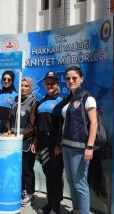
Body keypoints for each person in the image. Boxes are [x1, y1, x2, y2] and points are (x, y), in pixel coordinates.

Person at [61, 66, 98, 214]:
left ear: (81, 79)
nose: (71, 80)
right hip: (66, 146)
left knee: (80, 184)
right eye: (68, 78)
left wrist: (89, 147)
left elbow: (94, 123)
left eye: (74, 77)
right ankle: (76, 210)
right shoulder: (69, 98)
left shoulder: (87, 97)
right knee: (71, 182)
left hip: (80, 148)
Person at [35, 71, 65, 214]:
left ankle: (56, 206)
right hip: (43, 143)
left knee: (56, 175)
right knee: (48, 174)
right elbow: (37, 125)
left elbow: (64, 126)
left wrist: (59, 144)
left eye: (52, 83)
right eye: (47, 83)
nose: (49, 85)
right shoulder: (41, 102)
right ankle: (49, 203)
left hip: (55, 144)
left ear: (58, 84)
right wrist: (36, 141)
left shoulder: (62, 101)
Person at [8, 77, 38, 207]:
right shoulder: (16, 100)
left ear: (31, 87)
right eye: (21, 85)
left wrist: (20, 135)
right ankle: (20, 191)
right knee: (16, 169)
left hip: (26, 142)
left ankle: (30, 193)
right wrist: (9, 130)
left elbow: (32, 126)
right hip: (14, 142)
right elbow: (9, 118)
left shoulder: (34, 102)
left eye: (26, 86)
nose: (23, 88)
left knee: (27, 169)